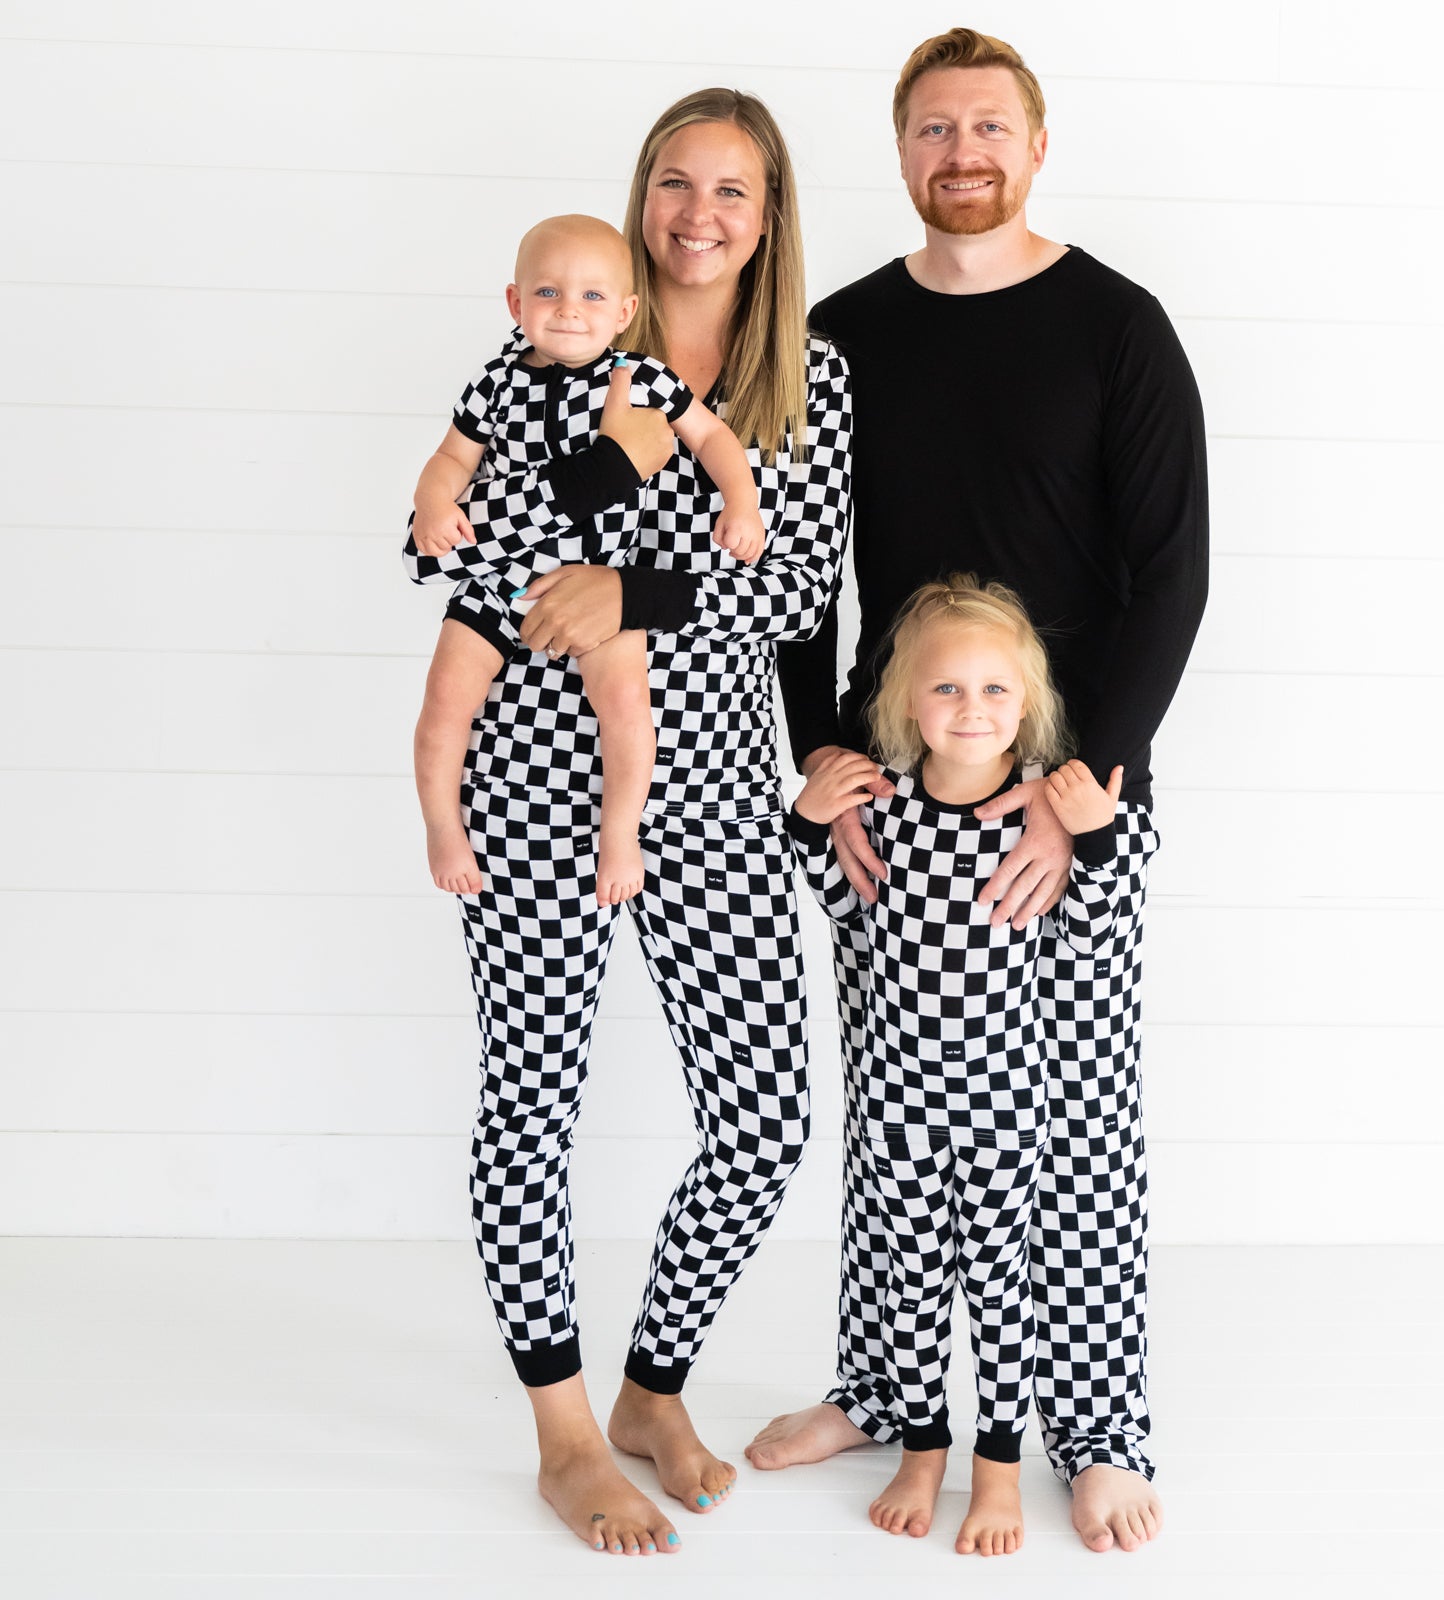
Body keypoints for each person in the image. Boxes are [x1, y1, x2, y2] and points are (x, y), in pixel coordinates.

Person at [755, 27, 1208, 1558]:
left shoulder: (1118, 327)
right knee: (895, 1122)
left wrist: (1095, 777)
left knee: (1071, 1128)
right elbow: (797, 571)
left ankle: (1097, 1429)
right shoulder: (838, 335)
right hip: (896, 782)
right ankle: (884, 1389)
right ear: (901, 153)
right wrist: (827, 748)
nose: (964, 153)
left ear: (1033, 144)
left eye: (989, 127)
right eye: (935, 129)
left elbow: (1174, 572)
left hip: (1066, 793)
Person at [404, 90, 852, 1556]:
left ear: (770, 213)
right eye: (675, 182)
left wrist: (634, 592)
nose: (699, 213)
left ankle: (656, 1386)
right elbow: (475, 549)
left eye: (733, 189)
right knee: (532, 1104)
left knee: (764, 1115)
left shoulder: (814, 379)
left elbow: (796, 597)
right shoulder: (565, 337)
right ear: (640, 195)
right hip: (536, 778)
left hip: (717, 786)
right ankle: (566, 1430)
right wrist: (540, 564)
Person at [789, 576, 1151, 1556]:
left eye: (994, 691)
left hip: (1002, 1110)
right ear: (908, 701)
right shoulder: (888, 811)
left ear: (1026, 704)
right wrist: (807, 818)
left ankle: (997, 1472)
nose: (971, 709)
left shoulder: (1034, 821)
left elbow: (1090, 937)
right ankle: (920, 1451)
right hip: (898, 1109)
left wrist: (1096, 834)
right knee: (906, 1282)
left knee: (1000, 1286)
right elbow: (843, 908)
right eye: (947, 690)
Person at [411, 213, 766, 908]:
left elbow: (713, 436)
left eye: (593, 297)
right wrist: (432, 505)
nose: (570, 311)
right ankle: (442, 827)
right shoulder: (495, 383)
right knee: (444, 707)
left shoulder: (641, 380)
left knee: (628, 708)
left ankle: (619, 834)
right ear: (516, 303)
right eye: (548, 293)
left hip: (602, 583)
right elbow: (452, 458)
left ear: (626, 310)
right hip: (496, 586)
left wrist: (742, 503)